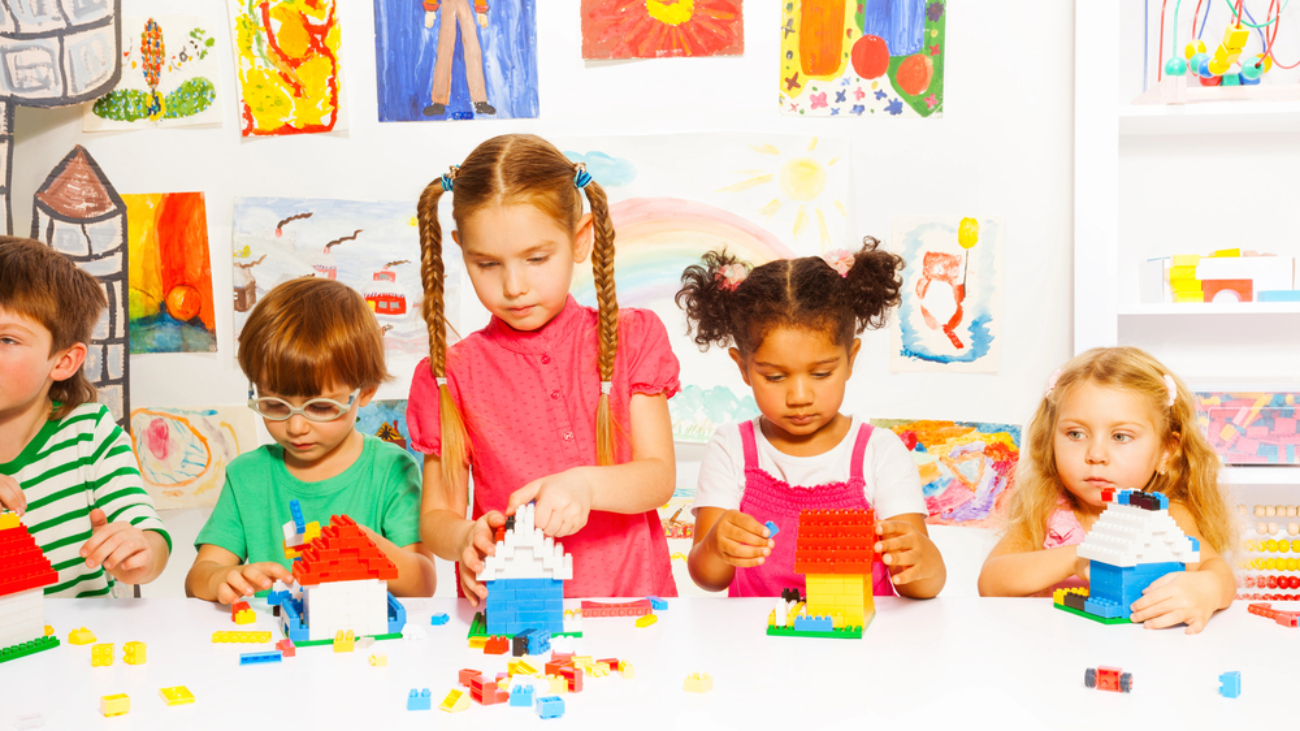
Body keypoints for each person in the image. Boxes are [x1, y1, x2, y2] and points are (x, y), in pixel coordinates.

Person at [410, 134, 679, 603]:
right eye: (487, 263)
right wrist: (462, 538)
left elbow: (658, 478)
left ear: (580, 239)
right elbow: (437, 516)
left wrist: (584, 483)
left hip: (634, 603)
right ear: (460, 249)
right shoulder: (449, 372)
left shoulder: (634, 338)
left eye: (537, 258)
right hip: (513, 604)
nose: (514, 286)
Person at [677, 243, 946, 598]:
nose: (799, 396)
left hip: (863, 646)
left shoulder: (878, 452)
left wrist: (924, 562)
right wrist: (714, 547)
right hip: (757, 647)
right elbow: (708, 578)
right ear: (742, 367)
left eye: (821, 373)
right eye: (775, 377)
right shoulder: (732, 448)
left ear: (851, 359)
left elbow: (919, 587)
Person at [186, 278, 435, 604]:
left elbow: (423, 582)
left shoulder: (391, 471)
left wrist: (367, 549)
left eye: (320, 407)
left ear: (366, 391)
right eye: (275, 405)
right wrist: (221, 577)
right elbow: (198, 579)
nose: (296, 426)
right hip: (277, 642)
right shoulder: (247, 476)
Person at [978, 347, 1236, 634]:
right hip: (1054, 655)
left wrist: (1207, 588)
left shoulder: (1165, 515)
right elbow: (991, 582)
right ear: (1051, 440)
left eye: (1121, 436)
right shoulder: (1047, 510)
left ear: (1166, 451)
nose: (1096, 454)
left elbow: (1219, 572)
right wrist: (1079, 555)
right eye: (1075, 434)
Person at [0, 237, 170, 597]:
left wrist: (141, 552)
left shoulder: (89, 435)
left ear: (63, 362)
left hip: (76, 647)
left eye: (7, 339)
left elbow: (148, 534)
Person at [423, 0, 496, 117]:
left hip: (465, 4)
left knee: (473, 50)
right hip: (447, 4)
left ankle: (480, 101)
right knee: (444, 50)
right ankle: (439, 101)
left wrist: (481, 9)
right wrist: (430, 9)